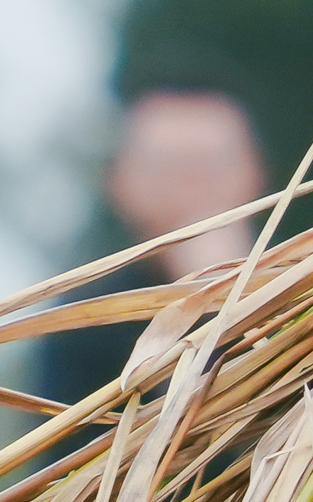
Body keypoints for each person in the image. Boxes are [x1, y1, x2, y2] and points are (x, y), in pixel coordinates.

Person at [28, 78, 271, 404]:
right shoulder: (85, 320)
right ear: (119, 183)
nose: (192, 186)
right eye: (167, 168)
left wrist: (240, 300)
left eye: (211, 166)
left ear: (255, 173)